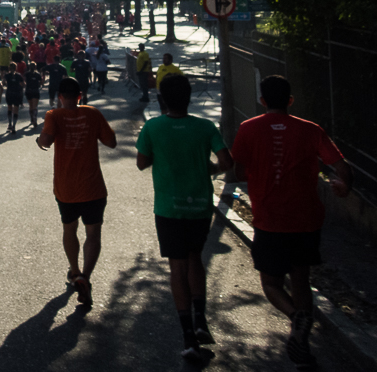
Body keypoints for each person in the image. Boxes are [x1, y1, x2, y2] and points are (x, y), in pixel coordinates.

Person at [232, 75, 353, 370]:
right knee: (302, 280)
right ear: (290, 101)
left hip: (269, 219)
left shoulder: (248, 128)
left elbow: (237, 171)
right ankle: (304, 347)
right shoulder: (311, 130)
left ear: (262, 101)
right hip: (306, 219)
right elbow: (340, 166)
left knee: (271, 283)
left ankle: (295, 317)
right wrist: (343, 186)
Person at [135, 74, 233, 362]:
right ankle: (202, 319)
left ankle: (189, 337)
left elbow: (141, 163)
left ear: (162, 99)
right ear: (189, 97)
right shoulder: (205, 127)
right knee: (195, 259)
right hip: (199, 207)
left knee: (176, 268)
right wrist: (208, 170)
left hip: (168, 208)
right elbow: (227, 162)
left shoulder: (153, 127)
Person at [36, 78, 116, 307]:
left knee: (69, 229)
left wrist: (39, 140)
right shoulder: (93, 114)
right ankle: (85, 277)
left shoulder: (54, 115)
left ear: (60, 96)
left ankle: (74, 270)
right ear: (79, 95)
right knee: (93, 234)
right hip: (93, 187)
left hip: (66, 188)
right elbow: (112, 142)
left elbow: (46, 141)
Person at [3, 64, 25, 135]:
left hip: (9, 93)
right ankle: (14, 126)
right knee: (16, 110)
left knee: (9, 108)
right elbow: (23, 84)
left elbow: (3, 82)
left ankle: (9, 123)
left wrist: (8, 84)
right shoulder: (19, 76)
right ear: (16, 68)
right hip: (17, 93)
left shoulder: (7, 75)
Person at [23, 62, 43, 128]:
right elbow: (41, 82)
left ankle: (32, 118)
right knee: (35, 106)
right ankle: (35, 118)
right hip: (35, 91)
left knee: (30, 105)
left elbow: (24, 81)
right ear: (35, 67)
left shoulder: (27, 74)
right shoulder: (37, 74)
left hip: (28, 90)